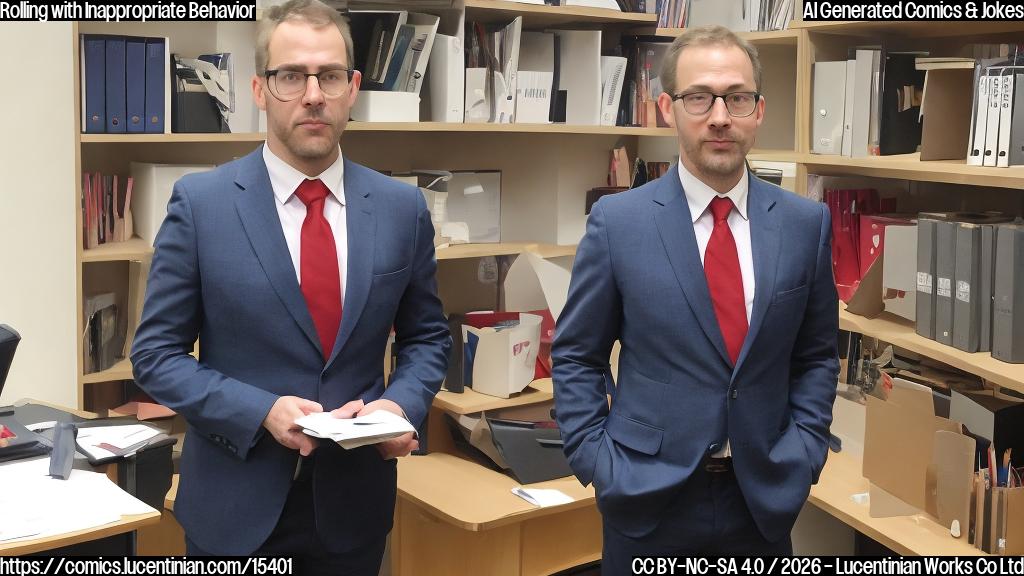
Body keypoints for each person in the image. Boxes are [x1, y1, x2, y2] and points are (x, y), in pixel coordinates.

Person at [130, 0, 450, 571]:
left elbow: (427, 340)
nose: (312, 94)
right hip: (234, 509)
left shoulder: (403, 209)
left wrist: (397, 407)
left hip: (353, 513)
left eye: (328, 75)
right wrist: (259, 411)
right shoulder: (202, 206)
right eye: (290, 76)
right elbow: (155, 356)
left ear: (352, 88)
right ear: (259, 89)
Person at [551, 25, 839, 570]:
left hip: (762, 500)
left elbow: (818, 354)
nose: (720, 116)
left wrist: (805, 450)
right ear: (667, 108)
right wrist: (596, 458)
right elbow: (576, 354)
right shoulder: (619, 223)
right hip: (647, 499)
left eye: (737, 97)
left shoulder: (807, 224)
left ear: (759, 109)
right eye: (699, 97)